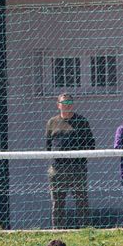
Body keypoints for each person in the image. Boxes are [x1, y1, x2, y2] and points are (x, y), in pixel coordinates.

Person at [45, 94, 94, 228]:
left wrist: (79, 158)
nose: (67, 104)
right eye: (64, 102)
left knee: (81, 200)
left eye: (70, 102)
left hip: (77, 168)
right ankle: (58, 230)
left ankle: (85, 229)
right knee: (57, 202)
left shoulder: (82, 121)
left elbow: (90, 144)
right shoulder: (52, 122)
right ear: (58, 104)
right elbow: (48, 145)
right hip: (57, 169)